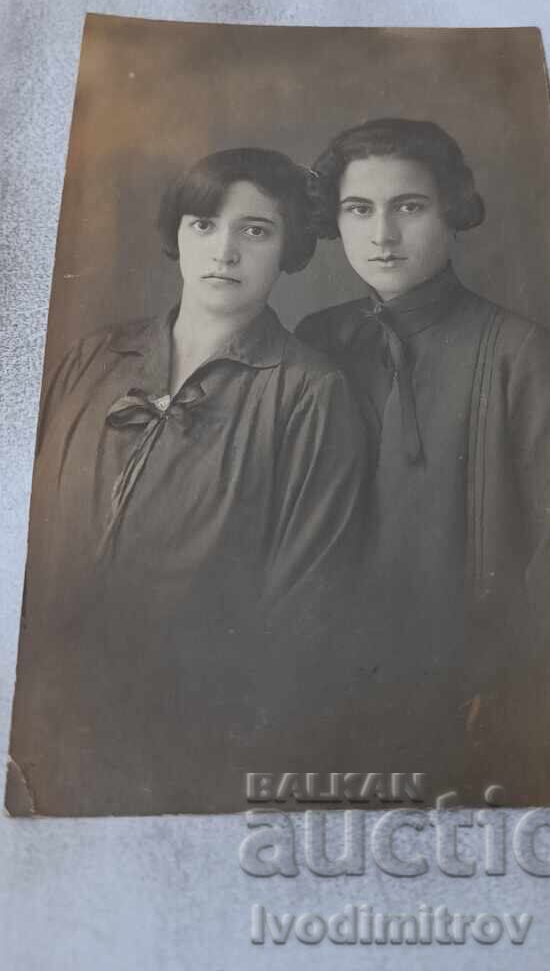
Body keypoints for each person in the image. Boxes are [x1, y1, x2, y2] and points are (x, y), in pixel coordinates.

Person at [8, 148, 367, 816]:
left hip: (191, 748)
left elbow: (301, 607)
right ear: (177, 234)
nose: (224, 250)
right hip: (37, 727)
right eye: (203, 224)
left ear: (288, 248)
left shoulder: (311, 394)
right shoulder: (92, 359)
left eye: (254, 231)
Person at [297, 117, 550, 805]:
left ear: (451, 211)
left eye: (409, 207)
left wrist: (501, 688)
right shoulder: (318, 338)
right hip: (330, 686)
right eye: (358, 210)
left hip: (475, 697)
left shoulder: (521, 354)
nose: (382, 235)